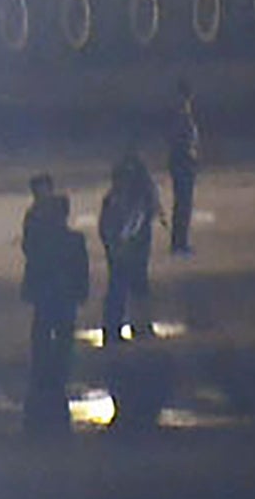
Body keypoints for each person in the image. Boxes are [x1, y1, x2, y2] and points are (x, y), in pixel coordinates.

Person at [15, 174, 88, 436]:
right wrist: (81, 292)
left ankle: (48, 373)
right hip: (59, 295)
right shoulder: (68, 239)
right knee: (56, 334)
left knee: (47, 333)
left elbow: (32, 256)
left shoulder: (46, 237)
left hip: (51, 295)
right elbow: (81, 269)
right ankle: (55, 371)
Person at [93, 152, 158, 353]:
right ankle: (122, 329)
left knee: (127, 288)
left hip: (126, 248)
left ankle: (128, 327)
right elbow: (112, 227)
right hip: (124, 248)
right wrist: (117, 245)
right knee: (123, 288)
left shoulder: (122, 198)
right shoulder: (125, 199)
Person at [164, 82, 200, 255]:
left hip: (182, 163)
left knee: (183, 204)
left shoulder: (181, 116)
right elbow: (181, 143)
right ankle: (179, 243)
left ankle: (179, 242)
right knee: (183, 205)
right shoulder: (182, 117)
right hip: (182, 163)